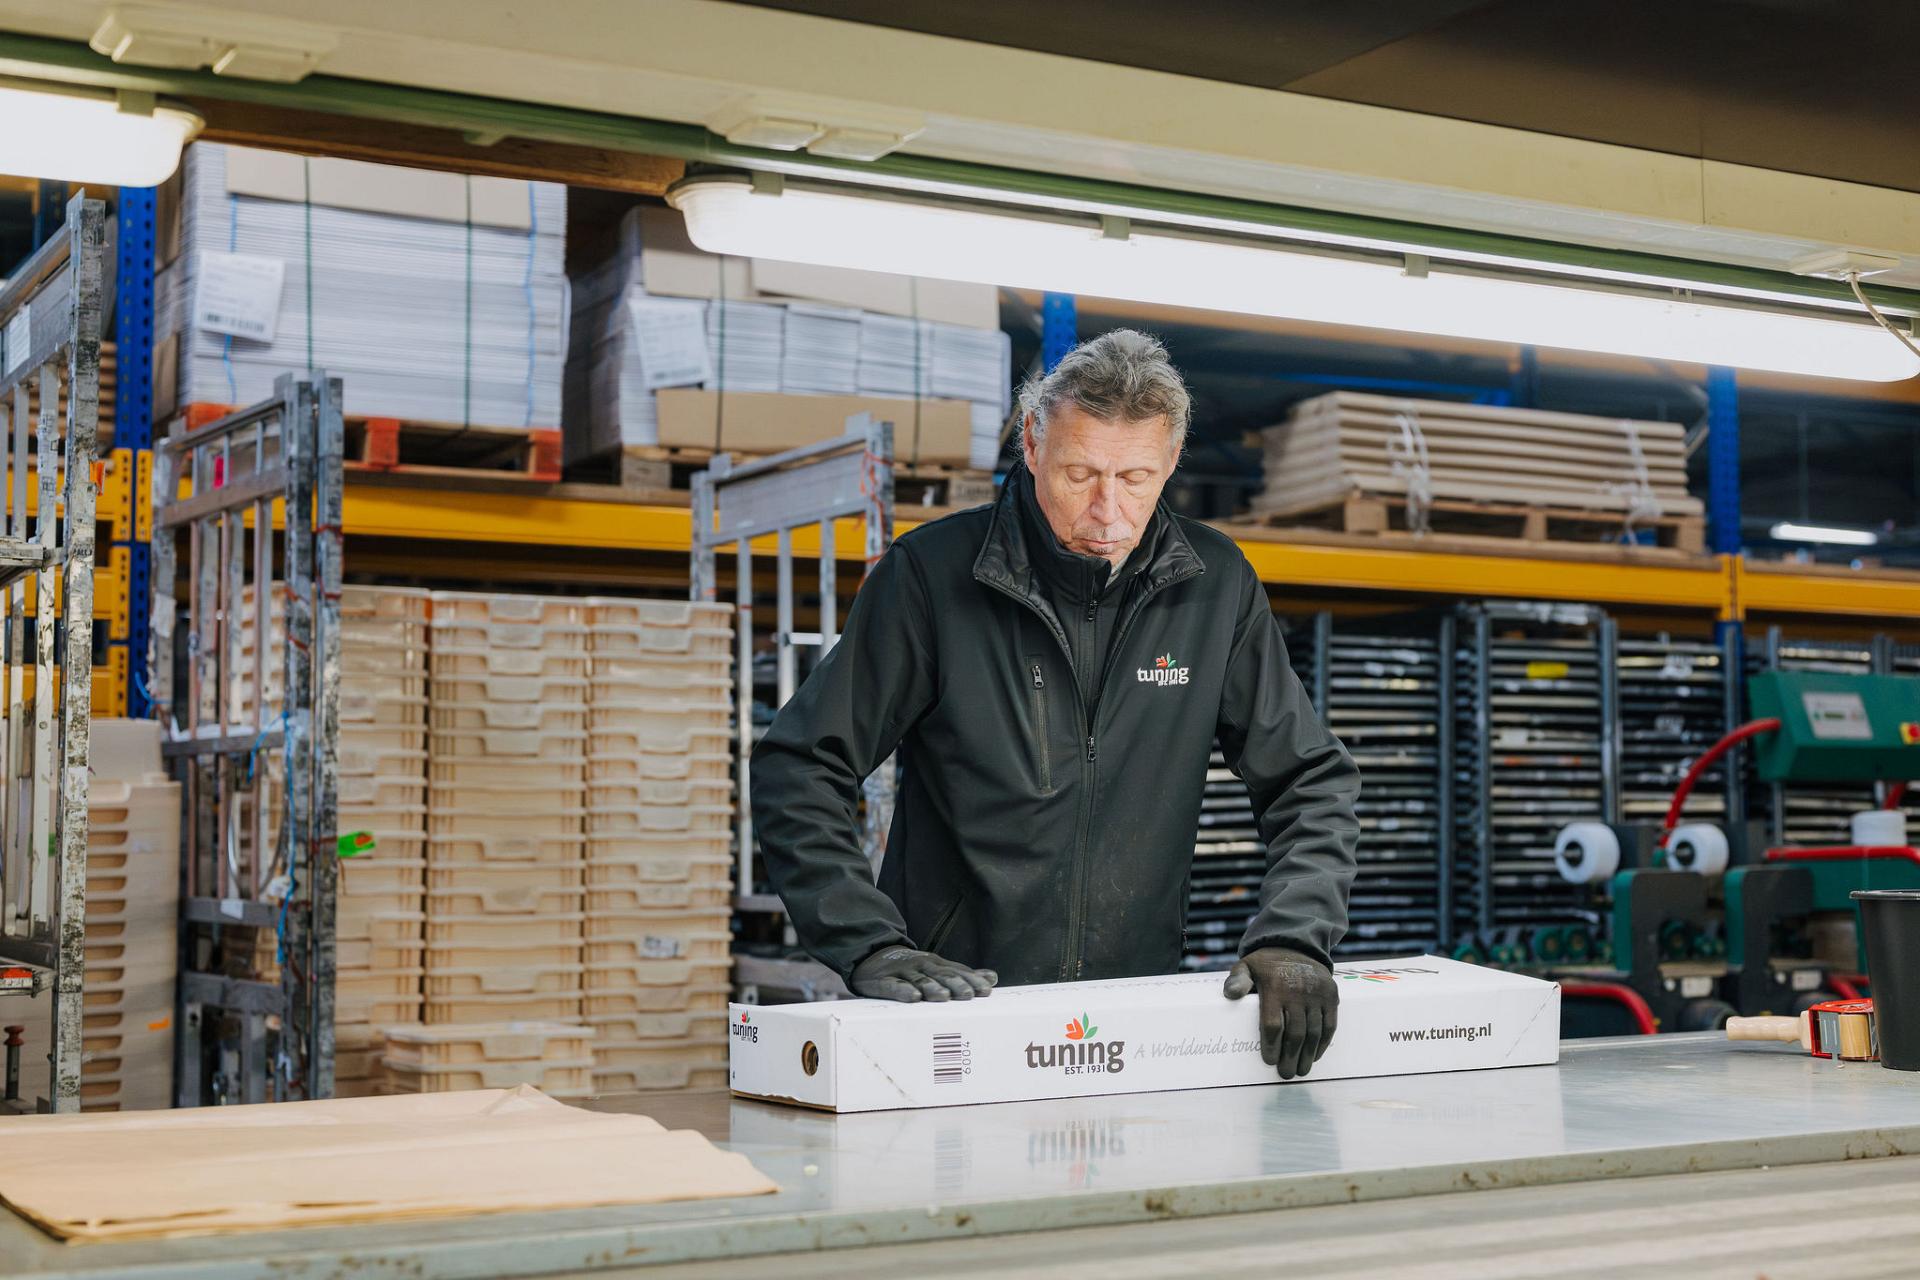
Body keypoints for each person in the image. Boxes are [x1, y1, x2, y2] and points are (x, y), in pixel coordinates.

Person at [751, 330, 1361, 1079]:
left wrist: (1295, 935)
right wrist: (868, 941)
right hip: (954, 1008)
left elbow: (1311, 779)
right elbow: (799, 765)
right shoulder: (933, 577)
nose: (1108, 510)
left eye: (1136, 478)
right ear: (1033, 447)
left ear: (1171, 462)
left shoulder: (1214, 586)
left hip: (1133, 1009)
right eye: (1081, 473)